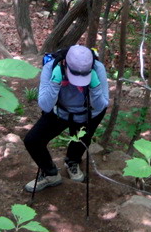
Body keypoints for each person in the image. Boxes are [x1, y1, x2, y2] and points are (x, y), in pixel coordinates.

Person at [23, 45, 109, 193]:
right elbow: (45, 105)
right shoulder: (51, 68)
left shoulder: (98, 68)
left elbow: (101, 105)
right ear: (65, 64)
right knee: (33, 140)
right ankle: (50, 174)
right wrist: (55, 82)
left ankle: (72, 162)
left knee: (80, 141)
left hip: (88, 113)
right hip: (59, 112)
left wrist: (95, 86)